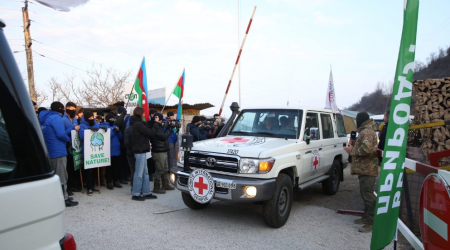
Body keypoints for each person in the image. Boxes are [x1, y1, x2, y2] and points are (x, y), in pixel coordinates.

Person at [344, 112, 378, 233]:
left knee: (368, 197)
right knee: (365, 195)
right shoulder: (365, 131)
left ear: (360, 120)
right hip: (365, 169)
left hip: (368, 169)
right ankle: (366, 217)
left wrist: (351, 150)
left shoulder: (367, 132)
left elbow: (366, 149)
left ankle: (371, 222)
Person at [39, 101, 78, 207]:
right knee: (61, 176)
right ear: (61, 109)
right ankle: (64, 199)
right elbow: (61, 134)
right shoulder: (56, 118)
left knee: (55, 176)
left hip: (50, 151)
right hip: (58, 151)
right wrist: (68, 140)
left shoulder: (45, 118)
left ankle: (59, 196)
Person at [130, 107, 158, 201]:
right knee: (139, 173)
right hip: (139, 150)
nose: (145, 114)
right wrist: (156, 124)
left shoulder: (139, 123)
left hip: (142, 150)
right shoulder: (137, 124)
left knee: (145, 173)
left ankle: (146, 192)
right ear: (140, 114)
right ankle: (136, 193)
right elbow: (150, 132)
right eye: (143, 113)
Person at [150, 113, 173, 194]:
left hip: (163, 150)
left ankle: (165, 184)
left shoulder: (158, 127)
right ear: (158, 119)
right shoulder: (154, 127)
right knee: (159, 170)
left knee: (165, 169)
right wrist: (170, 128)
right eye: (161, 120)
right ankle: (156, 187)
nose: (162, 121)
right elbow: (163, 136)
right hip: (159, 151)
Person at [79, 111, 101, 196]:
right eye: (90, 118)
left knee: (95, 170)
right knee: (89, 171)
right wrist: (88, 131)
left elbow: (100, 130)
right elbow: (81, 136)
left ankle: (94, 185)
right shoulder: (82, 126)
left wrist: (103, 128)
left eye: (92, 117)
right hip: (87, 151)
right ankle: (89, 188)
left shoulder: (96, 124)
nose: (91, 119)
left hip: (95, 151)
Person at [63, 102, 81, 194]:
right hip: (66, 146)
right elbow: (62, 133)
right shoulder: (63, 119)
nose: (73, 111)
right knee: (68, 168)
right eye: (71, 109)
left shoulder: (74, 119)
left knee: (75, 167)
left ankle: (74, 185)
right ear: (66, 109)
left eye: (74, 109)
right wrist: (73, 129)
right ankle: (68, 187)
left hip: (74, 146)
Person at [104, 114, 123, 190]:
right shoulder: (105, 127)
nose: (112, 120)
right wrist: (114, 132)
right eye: (110, 119)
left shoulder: (115, 126)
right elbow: (106, 136)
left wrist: (118, 132)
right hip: (109, 150)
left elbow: (120, 137)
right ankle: (109, 182)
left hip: (116, 150)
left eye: (113, 119)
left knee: (116, 167)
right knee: (109, 168)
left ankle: (116, 181)